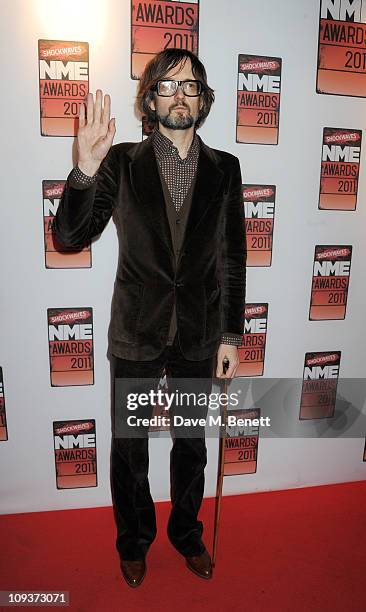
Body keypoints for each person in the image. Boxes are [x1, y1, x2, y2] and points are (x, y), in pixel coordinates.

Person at [53, 48, 246, 587]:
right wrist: (83, 169)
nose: (179, 93)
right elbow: (69, 237)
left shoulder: (226, 169)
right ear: (150, 98)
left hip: (199, 333)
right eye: (167, 84)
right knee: (129, 449)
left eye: (191, 85)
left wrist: (232, 333)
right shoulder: (119, 161)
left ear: (204, 99)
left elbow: (233, 258)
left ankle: (186, 535)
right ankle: (133, 541)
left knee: (191, 445)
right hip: (138, 329)